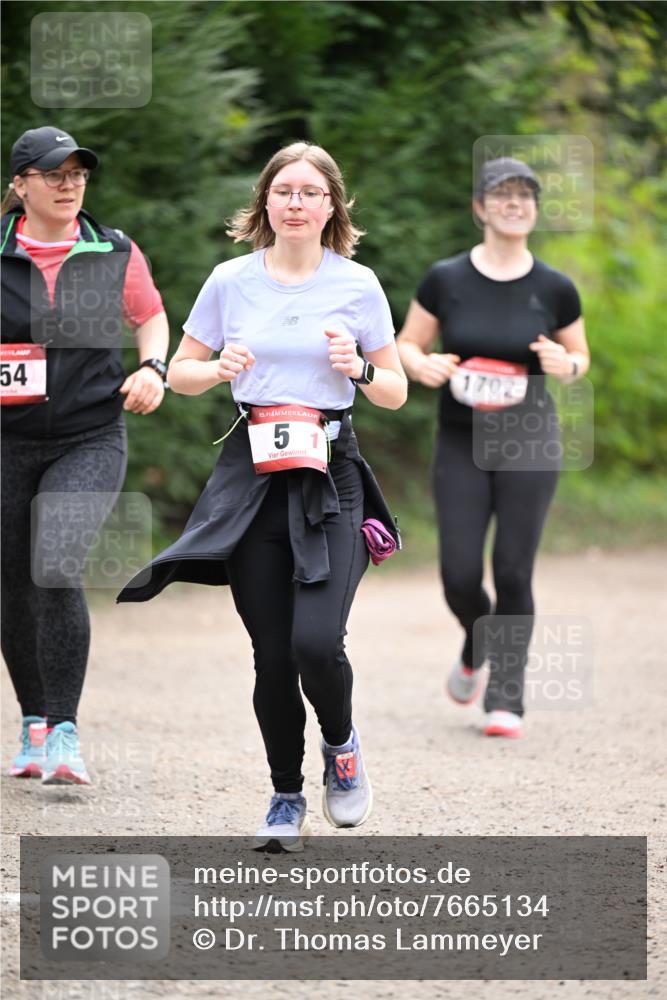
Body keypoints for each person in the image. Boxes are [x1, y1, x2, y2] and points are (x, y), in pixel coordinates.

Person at [117, 141, 406, 849]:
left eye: (311, 192)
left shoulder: (356, 285)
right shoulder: (230, 280)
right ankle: (284, 795)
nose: (297, 203)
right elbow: (180, 370)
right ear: (265, 203)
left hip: (330, 474)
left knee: (316, 642)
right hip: (252, 478)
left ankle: (340, 746)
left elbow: (395, 389)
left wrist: (359, 372)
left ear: (331, 205)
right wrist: (217, 369)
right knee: (272, 655)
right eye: (285, 191)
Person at [397, 157, 590, 739]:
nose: (514, 203)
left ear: (533, 210)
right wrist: (422, 364)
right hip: (460, 438)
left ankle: (507, 696)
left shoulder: (555, 287)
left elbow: (579, 356)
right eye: (501, 195)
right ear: (480, 208)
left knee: (512, 567)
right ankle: (476, 641)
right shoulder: (446, 279)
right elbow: (408, 344)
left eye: (524, 196)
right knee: (458, 573)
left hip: (528, 438)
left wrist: (566, 363)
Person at [1, 126, 169, 784]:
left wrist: (153, 365)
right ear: (21, 186)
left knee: (57, 559)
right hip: (7, 442)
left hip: (88, 435)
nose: (69, 184)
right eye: (53, 174)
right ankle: (34, 721)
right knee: (14, 582)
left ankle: (66, 732)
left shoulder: (114, 251)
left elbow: (149, 314)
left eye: (78, 173)